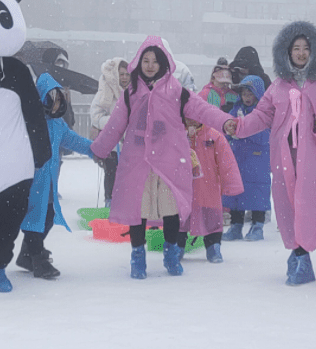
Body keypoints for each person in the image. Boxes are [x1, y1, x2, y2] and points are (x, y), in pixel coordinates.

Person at [89, 37, 231, 280]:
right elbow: (114, 126)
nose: (150, 65)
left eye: (155, 61)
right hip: (138, 163)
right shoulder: (131, 93)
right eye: (145, 60)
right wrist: (99, 149)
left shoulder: (176, 91)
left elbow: (203, 110)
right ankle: (137, 256)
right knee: (138, 211)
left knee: (171, 210)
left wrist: (227, 122)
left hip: (170, 162)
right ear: (138, 62)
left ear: (164, 63)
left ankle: (171, 254)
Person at [232, 21, 316, 286]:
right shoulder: (279, 86)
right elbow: (263, 114)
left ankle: (303, 256)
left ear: (315, 50)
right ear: (287, 51)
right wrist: (239, 127)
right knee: (286, 206)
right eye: (296, 48)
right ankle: (297, 252)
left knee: (309, 206)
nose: (301, 53)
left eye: (306, 48)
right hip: (285, 156)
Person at [16, 73, 93, 279]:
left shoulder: (58, 124)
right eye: (53, 98)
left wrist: (97, 150)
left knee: (47, 216)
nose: (57, 103)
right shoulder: (29, 121)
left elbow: (75, 141)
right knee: (34, 218)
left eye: (60, 99)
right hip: (30, 182)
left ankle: (27, 253)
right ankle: (37, 257)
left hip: (49, 182)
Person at [184, 113, 243, 263]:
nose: (191, 119)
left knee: (212, 219)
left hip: (208, 187)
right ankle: (176, 246)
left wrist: (230, 184)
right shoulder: (178, 134)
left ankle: (213, 246)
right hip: (183, 189)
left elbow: (226, 162)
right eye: (187, 116)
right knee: (181, 220)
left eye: (194, 115)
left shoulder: (213, 136)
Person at [222, 75, 271, 241]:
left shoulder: (264, 113)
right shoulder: (236, 110)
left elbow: (265, 137)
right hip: (238, 159)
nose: (247, 98)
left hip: (257, 162)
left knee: (257, 193)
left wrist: (243, 130)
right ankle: (236, 226)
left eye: (250, 94)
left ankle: (258, 225)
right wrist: (230, 134)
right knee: (236, 192)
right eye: (244, 94)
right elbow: (226, 129)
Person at [89, 57, 128, 206]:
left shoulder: (133, 93)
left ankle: (125, 204)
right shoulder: (105, 91)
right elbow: (95, 116)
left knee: (126, 174)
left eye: (127, 74)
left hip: (128, 142)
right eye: (121, 74)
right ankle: (109, 202)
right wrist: (114, 122)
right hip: (111, 141)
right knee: (111, 171)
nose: (124, 77)